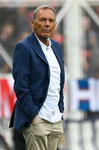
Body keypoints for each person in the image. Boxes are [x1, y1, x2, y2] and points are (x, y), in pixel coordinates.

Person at [9, 5, 65, 150]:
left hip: (55, 119)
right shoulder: (24, 47)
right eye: (42, 20)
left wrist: (60, 110)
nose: (47, 24)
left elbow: (58, 82)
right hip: (37, 121)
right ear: (33, 23)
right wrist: (34, 117)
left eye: (51, 21)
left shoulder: (57, 47)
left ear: (55, 25)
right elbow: (21, 87)